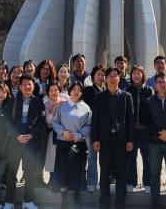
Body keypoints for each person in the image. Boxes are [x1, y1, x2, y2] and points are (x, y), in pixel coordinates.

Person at [92, 67, 135, 209]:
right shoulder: (99, 97)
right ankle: (104, 203)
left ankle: (120, 203)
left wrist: (130, 140)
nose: (112, 78)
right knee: (104, 173)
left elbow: (130, 120)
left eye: (115, 75)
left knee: (121, 174)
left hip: (121, 141)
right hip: (104, 141)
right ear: (106, 78)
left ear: (119, 78)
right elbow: (95, 120)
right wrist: (95, 139)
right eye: (109, 76)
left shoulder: (126, 96)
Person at [4, 74, 45, 209]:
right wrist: (16, 135)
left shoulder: (38, 102)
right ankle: (9, 202)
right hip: (15, 142)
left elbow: (42, 122)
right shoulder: (13, 100)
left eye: (30, 84)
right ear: (20, 86)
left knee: (30, 173)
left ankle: (28, 201)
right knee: (11, 173)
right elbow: (6, 120)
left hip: (31, 143)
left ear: (33, 86)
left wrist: (31, 135)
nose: (27, 86)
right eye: (25, 84)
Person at [143, 73, 166, 209]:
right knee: (154, 173)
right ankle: (155, 202)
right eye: (159, 82)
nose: (162, 84)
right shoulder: (148, 102)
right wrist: (159, 133)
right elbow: (146, 121)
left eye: (164, 82)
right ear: (155, 85)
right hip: (154, 142)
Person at [53, 81, 92, 208]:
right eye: (74, 89)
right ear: (70, 91)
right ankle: (63, 199)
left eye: (79, 90)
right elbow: (55, 122)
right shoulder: (62, 106)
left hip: (78, 144)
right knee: (63, 170)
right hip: (63, 143)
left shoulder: (86, 108)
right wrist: (63, 132)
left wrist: (80, 135)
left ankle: (76, 198)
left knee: (77, 170)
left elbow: (89, 125)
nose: (76, 92)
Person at [125, 65, 153, 194]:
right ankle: (131, 181)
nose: (136, 75)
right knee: (131, 157)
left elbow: (153, 110)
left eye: (139, 73)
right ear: (131, 76)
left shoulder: (149, 90)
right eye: (134, 73)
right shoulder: (127, 90)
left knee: (147, 157)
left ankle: (148, 183)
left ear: (143, 75)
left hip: (145, 130)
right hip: (131, 130)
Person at [83, 64, 106, 192]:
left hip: (104, 128)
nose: (100, 77)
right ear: (93, 76)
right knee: (92, 156)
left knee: (105, 157)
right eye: (98, 74)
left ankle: (104, 181)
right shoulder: (88, 90)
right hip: (91, 127)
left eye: (103, 75)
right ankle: (91, 182)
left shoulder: (107, 90)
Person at [34, 60, 57, 186]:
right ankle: (37, 176)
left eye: (48, 69)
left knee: (49, 152)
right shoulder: (34, 83)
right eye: (43, 68)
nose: (45, 71)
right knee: (40, 151)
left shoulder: (53, 83)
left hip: (51, 121)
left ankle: (48, 177)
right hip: (39, 121)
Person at [43, 81, 68, 192]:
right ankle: (53, 181)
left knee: (63, 159)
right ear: (48, 92)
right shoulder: (46, 103)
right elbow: (48, 122)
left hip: (65, 134)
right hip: (52, 134)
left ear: (59, 91)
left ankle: (64, 182)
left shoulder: (66, 101)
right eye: (51, 90)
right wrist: (54, 108)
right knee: (52, 159)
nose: (54, 92)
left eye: (56, 90)